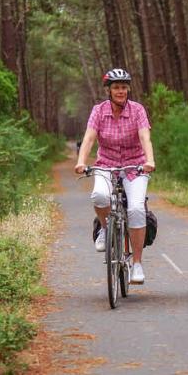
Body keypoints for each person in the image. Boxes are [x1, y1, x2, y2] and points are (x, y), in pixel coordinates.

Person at [74, 68, 155, 284]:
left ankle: (137, 263)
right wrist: (81, 161)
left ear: (128, 89)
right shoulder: (99, 111)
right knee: (100, 196)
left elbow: (145, 137)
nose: (120, 91)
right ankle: (104, 228)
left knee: (136, 209)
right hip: (106, 165)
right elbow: (89, 138)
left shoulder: (137, 110)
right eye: (116, 87)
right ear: (109, 90)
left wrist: (149, 160)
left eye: (123, 87)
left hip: (135, 167)